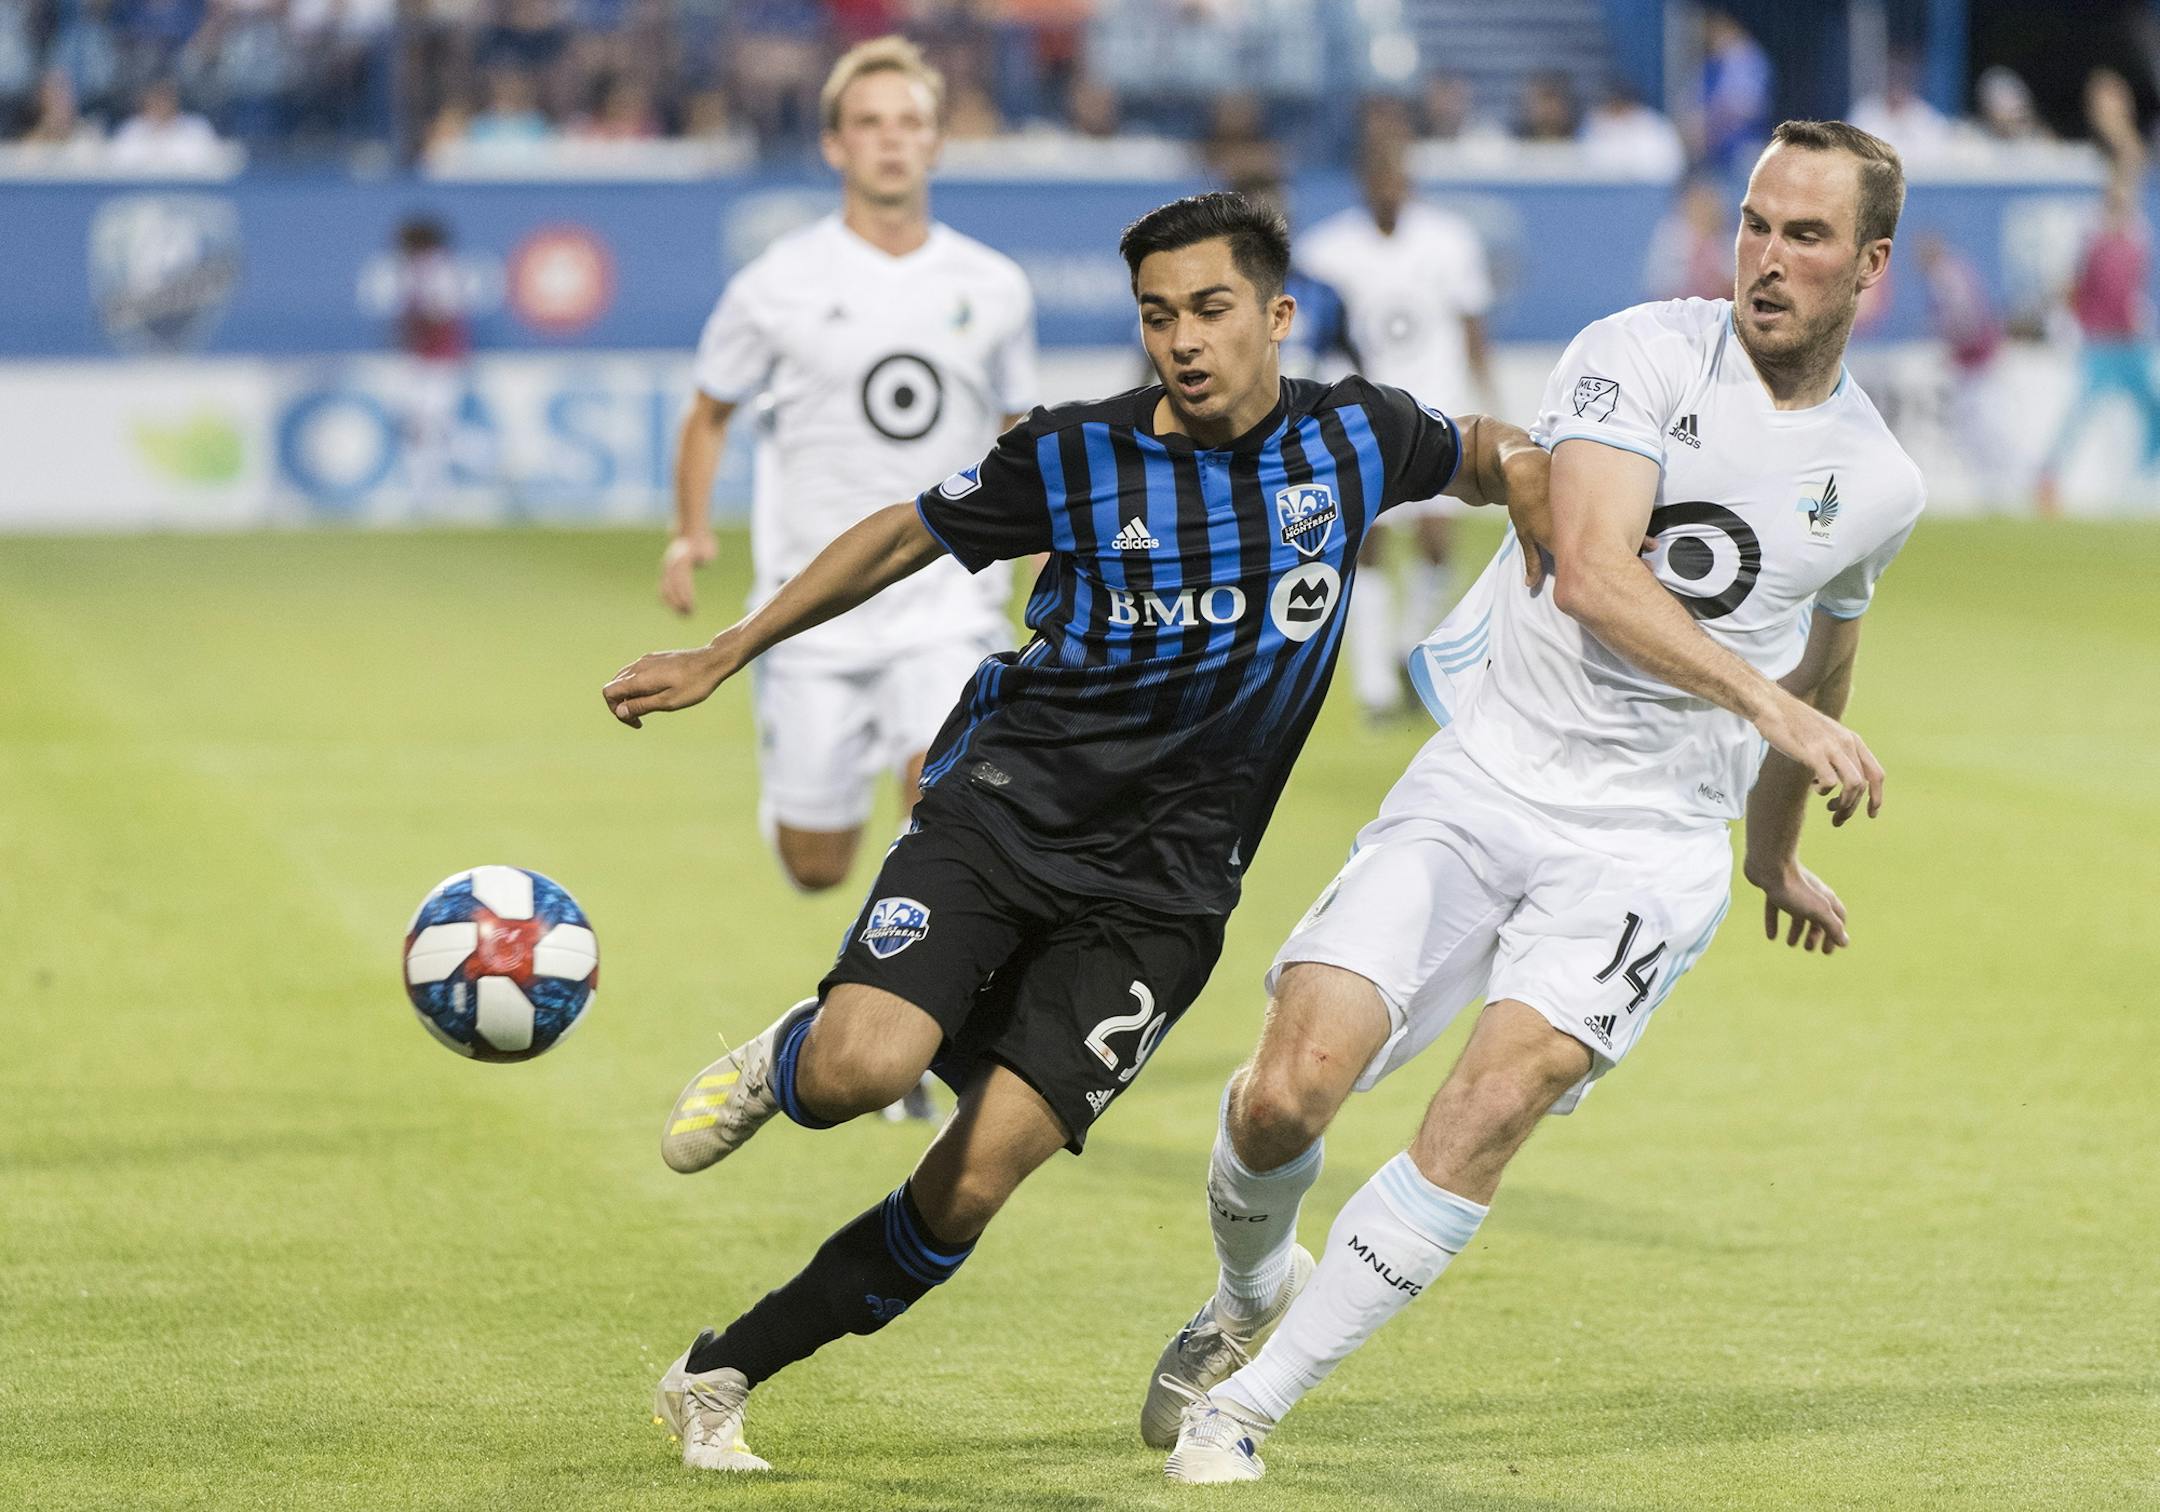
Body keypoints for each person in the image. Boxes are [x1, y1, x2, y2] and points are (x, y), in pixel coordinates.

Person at [599, 189, 1550, 1474]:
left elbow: (1490, 450)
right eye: (1159, 317)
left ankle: (722, 1373)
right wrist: (730, 648)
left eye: (1212, 310)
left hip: (1163, 898)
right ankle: (793, 1051)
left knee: (973, 1182)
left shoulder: (1356, 438)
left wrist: (1545, 502)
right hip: (1006, 815)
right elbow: (905, 533)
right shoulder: (1076, 454)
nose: (1184, 342)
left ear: (1276, 315)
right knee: (860, 1074)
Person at [1148, 120, 1926, 1485]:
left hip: (1651, 843)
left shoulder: (1879, 480)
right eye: (1753, 223)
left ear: (1871, 264)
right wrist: (1767, 707)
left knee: (1497, 1103)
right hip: (1491, 772)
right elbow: (1589, 569)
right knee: (1286, 1092)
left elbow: (1827, 660)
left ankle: (1251, 1402)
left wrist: (1772, 852)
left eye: (1806, 237)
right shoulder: (1637, 352)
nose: (1766, 258)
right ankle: (1247, 1290)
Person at [1298, 123, 1497, 720]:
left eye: (1397, 171)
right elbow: (1315, 342)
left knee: (1438, 544)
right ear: (1362, 180)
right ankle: (1374, 685)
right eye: (1377, 172)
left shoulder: (1450, 241)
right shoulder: (1326, 251)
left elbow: (1471, 327)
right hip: (1364, 422)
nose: (1388, 184)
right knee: (1370, 543)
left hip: (1439, 413)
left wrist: (1489, 397)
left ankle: (1411, 646)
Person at [2037, 70, 2159, 514]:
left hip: (2131, 338)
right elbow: (2128, 159)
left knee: (2154, 413)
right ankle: (2048, 479)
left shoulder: (2135, 226)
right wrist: (2113, 121)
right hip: (2102, 339)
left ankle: (2141, 484)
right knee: (2082, 413)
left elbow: (2133, 162)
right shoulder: (2097, 227)